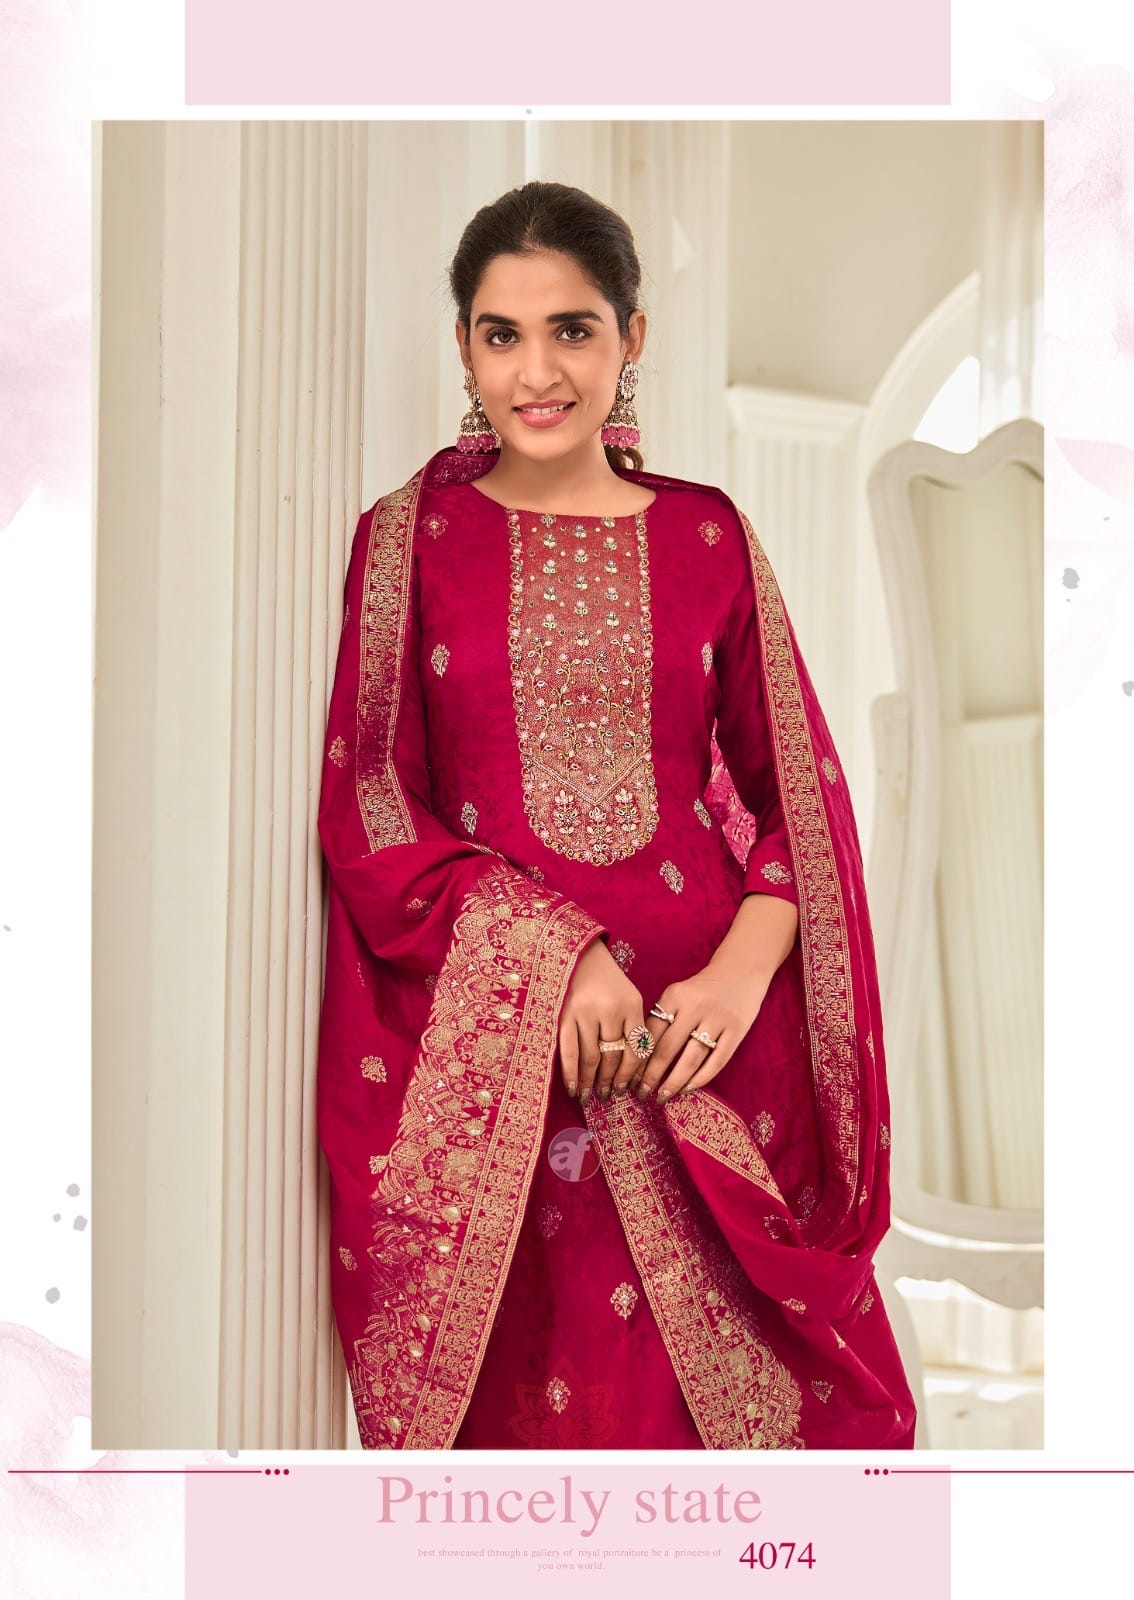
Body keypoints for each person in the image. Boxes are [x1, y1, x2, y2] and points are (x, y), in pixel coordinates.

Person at [315, 180, 918, 1450]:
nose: (536, 372)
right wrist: (558, 955)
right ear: (464, 346)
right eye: (501, 334)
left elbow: (795, 800)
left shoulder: (709, 534)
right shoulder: (409, 538)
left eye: (573, 330)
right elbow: (373, 801)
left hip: (704, 1046)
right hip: (507, 1064)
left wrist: (740, 978)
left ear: (631, 337)